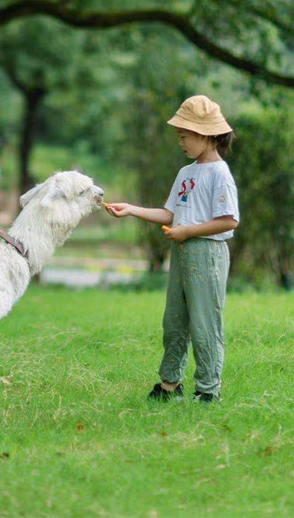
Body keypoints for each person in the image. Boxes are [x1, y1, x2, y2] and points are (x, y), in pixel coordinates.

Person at [105, 95, 239, 403]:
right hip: (182, 253)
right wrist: (133, 210)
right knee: (174, 320)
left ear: (206, 135)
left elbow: (229, 221)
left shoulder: (220, 174)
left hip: (207, 255)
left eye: (185, 136)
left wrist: (188, 232)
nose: (180, 142)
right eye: (179, 136)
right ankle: (169, 385)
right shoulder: (186, 173)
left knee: (205, 324)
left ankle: (207, 390)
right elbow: (171, 215)